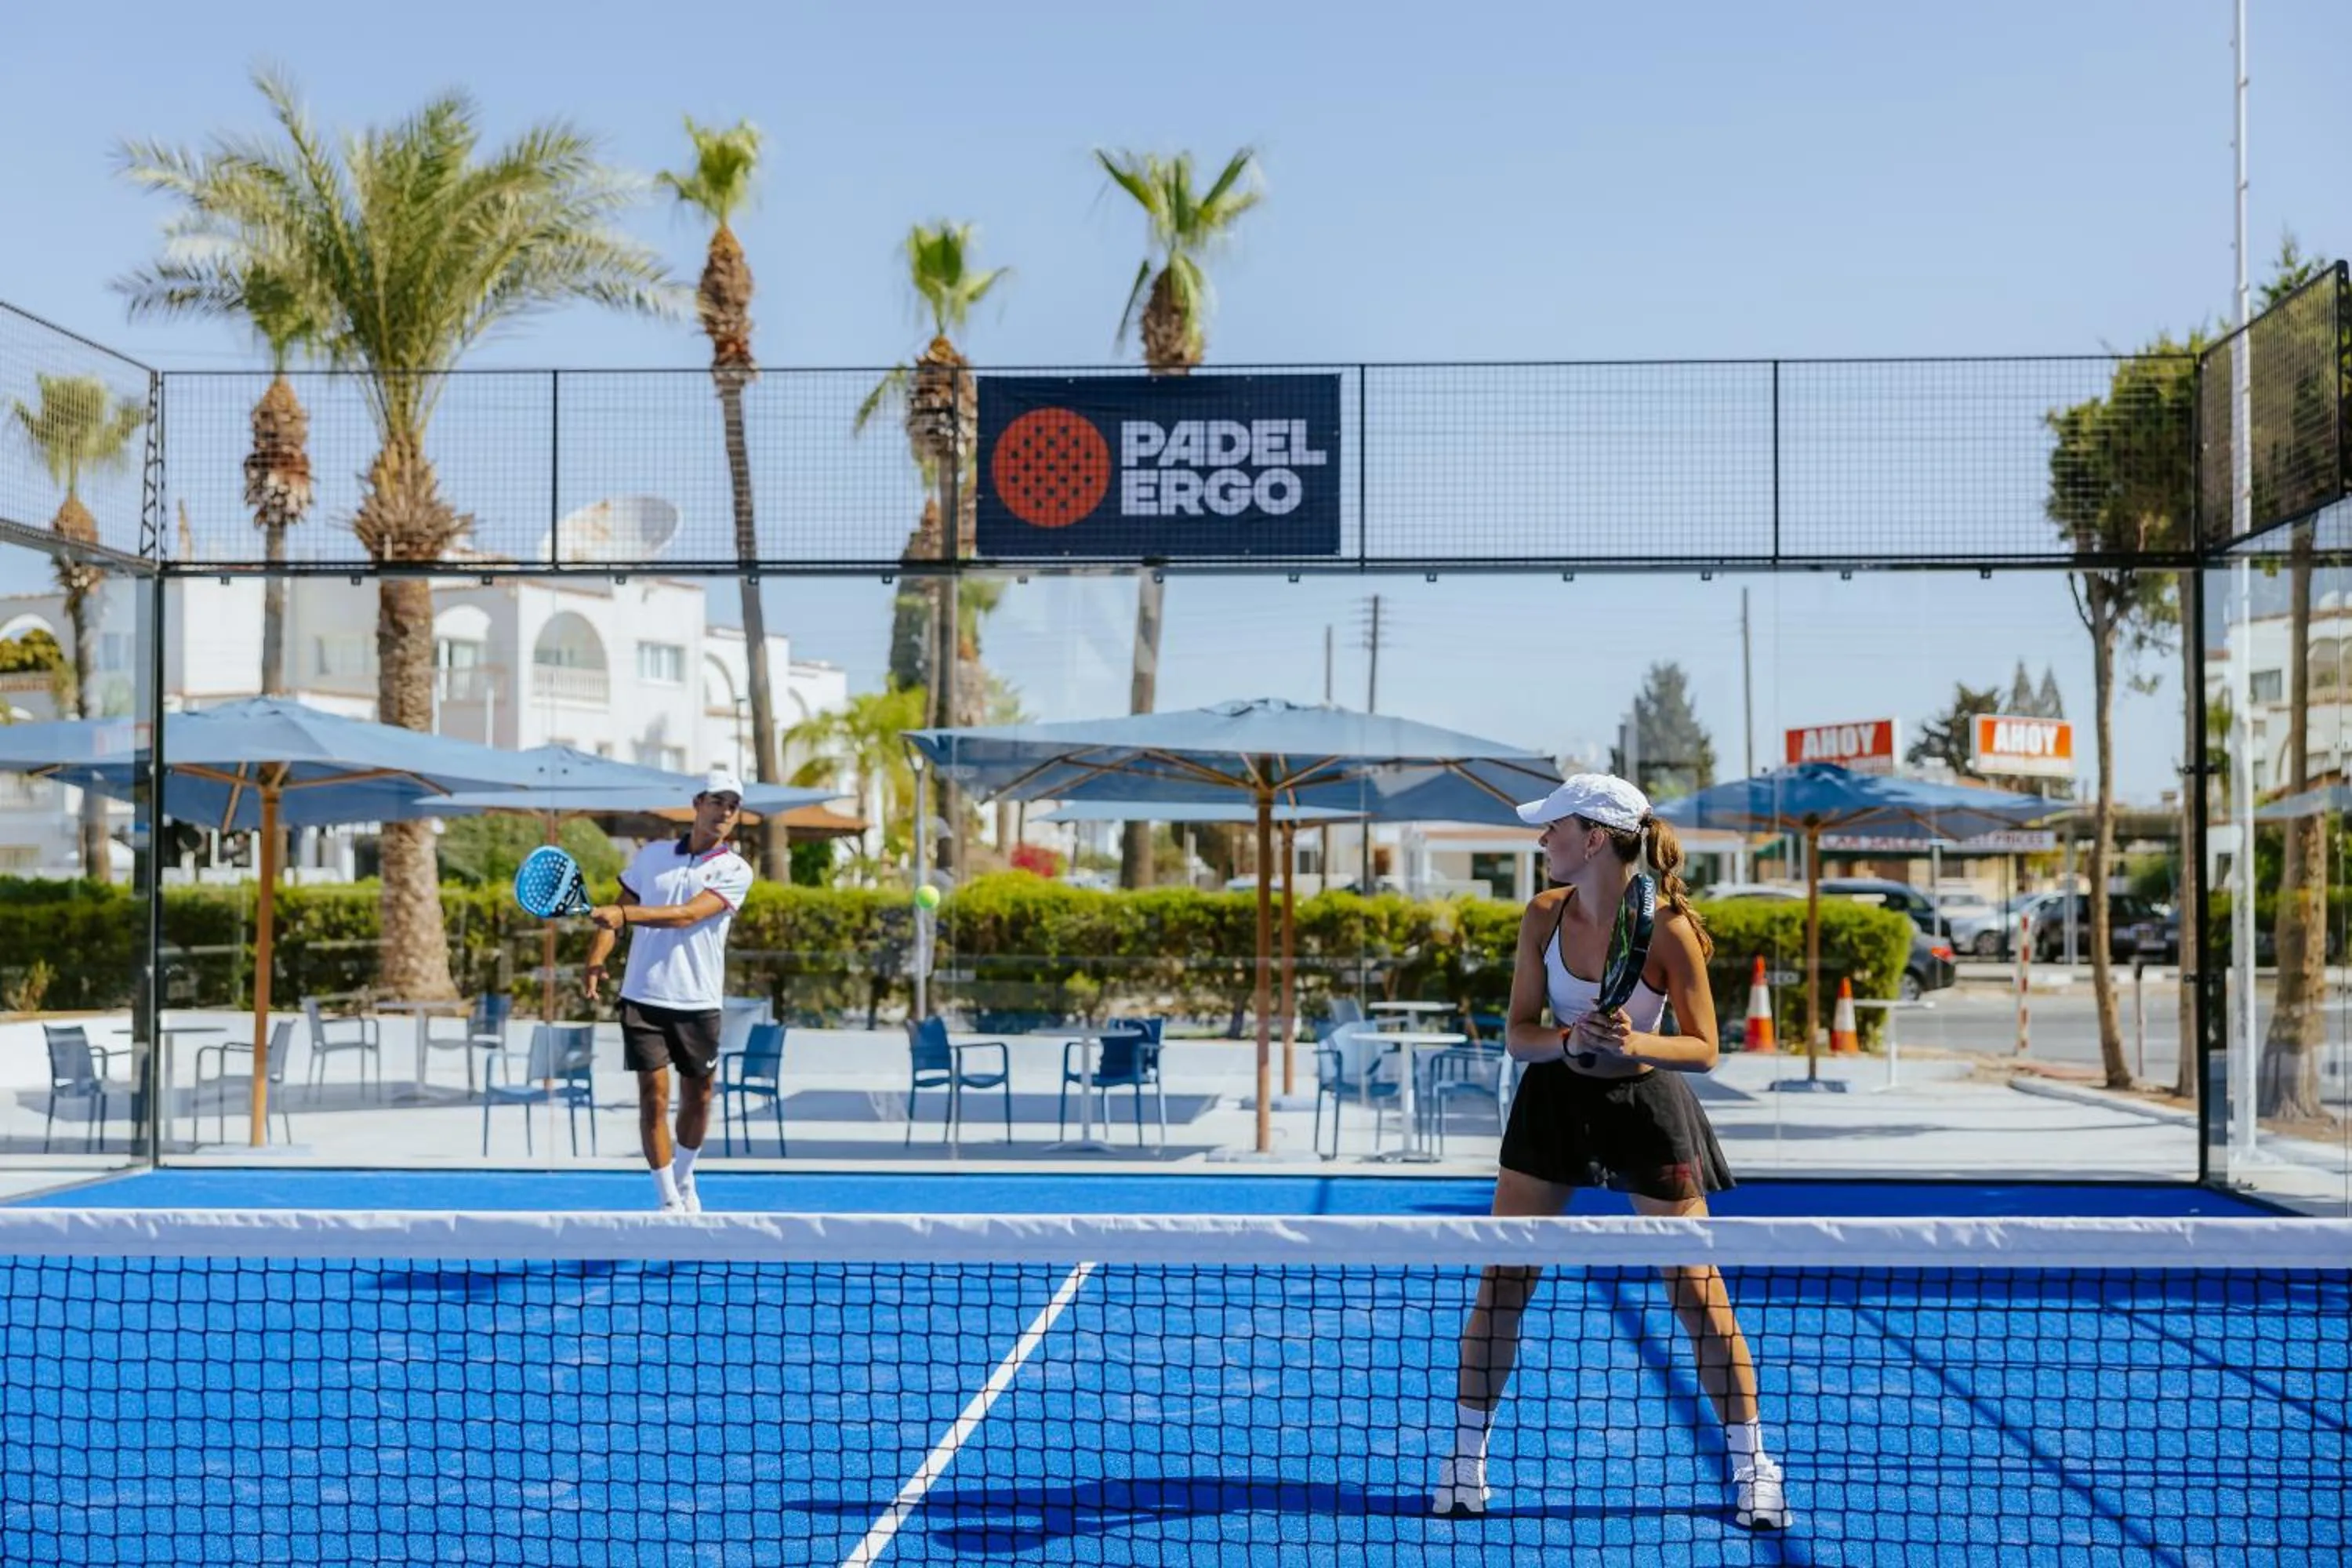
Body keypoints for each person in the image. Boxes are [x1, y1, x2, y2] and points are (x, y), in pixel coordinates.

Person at [1431, 774, 1788, 1531]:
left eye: (1553, 828)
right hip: (1552, 1106)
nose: (1542, 841)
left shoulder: (1669, 930)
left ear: (1594, 837)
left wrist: (1633, 1039)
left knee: (1696, 1292)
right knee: (1502, 1284)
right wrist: (1568, 1038)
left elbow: (1705, 1048)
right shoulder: (1542, 915)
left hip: (1645, 1107)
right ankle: (1465, 1463)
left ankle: (1754, 1465)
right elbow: (1520, 1035)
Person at [584, 768, 755, 1214]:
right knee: (653, 1096)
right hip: (642, 997)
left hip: (698, 1002)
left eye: (732, 806)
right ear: (697, 804)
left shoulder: (735, 870)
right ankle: (666, 1200)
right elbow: (619, 910)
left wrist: (623, 919)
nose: (724, 811)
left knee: (699, 1098)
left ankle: (683, 1177)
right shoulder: (652, 856)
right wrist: (597, 955)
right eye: (717, 801)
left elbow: (684, 915)